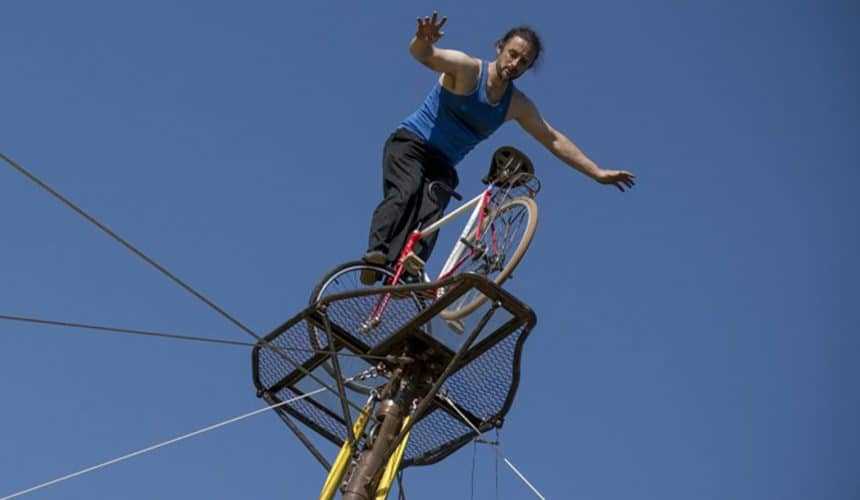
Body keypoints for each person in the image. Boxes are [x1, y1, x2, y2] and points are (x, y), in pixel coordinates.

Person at [363, 12, 635, 284]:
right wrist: (422, 40)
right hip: (412, 144)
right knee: (406, 191)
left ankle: (404, 272)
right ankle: (377, 254)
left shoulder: (517, 104)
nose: (515, 63)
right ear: (499, 48)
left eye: (523, 62)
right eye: (512, 54)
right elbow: (426, 56)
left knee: (431, 215)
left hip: (443, 164)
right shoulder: (468, 69)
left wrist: (597, 173)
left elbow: (552, 138)